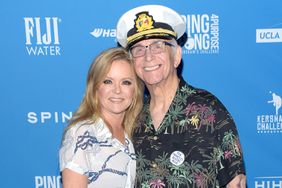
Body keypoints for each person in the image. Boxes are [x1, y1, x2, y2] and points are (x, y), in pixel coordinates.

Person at [116, 4, 246, 188]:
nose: (148, 56)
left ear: (176, 55)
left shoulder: (209, 110)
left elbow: (236, 183)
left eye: (157, 46)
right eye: (139, 49)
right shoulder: (132, 119)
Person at [59, 47, 144, 188]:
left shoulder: (136, 134)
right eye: (108, 81)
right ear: (95, 87)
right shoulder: (83, 134)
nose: (117, 90)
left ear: (136, 90)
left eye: (126, 82)